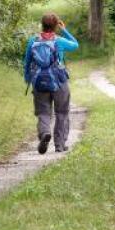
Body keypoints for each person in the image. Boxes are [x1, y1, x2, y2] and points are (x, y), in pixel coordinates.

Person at [24, 13, 79, 154]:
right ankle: (59, 145)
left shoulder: (33, 41)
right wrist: (64, 30)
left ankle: (44, 134)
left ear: (42, 24)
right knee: (62, 113)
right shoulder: (59, 41)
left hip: (39, 82)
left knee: (43, 112)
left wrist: (28, 79)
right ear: (55, 25)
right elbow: (75, 44)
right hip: (59, 81)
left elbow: (27, 62)